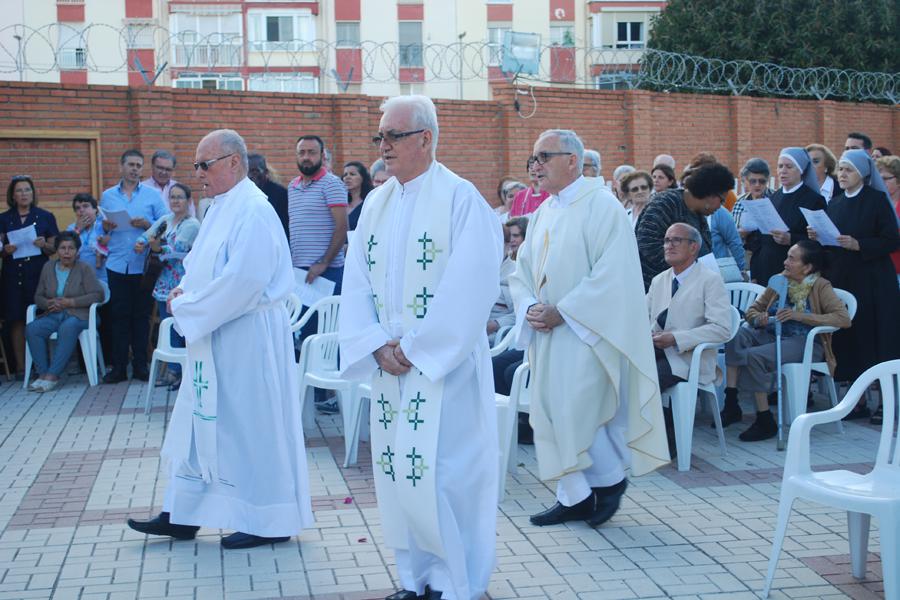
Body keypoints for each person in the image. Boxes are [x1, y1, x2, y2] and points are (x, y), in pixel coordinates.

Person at [339, 95, 502, 600]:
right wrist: (372, 343)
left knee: (444, 475)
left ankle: (457, 584)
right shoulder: (377, 204)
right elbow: (358, 281)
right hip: (392, 369)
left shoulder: (460, 198)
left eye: (393, 136)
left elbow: (471, 285)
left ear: (425, 139)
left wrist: (415, 348)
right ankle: (415, 579)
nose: (383, 146)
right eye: (380, 137)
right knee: (398, 475)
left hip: (441, 368)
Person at [126, 128, 313, 550]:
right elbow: (202, 264)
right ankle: (184, 512)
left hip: (248, 337)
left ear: (233, 162)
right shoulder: (217, 208)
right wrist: (184, 291)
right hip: (215, 336)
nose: (198, 174)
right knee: (198, 422)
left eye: (204, 165)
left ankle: (270, 519)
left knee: (251, 427)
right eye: (195, 166)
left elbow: (244, 281)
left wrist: (189, 307)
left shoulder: (255, 210)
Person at [509, 129, 668, 530]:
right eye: (533, 158)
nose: (535, 166)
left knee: (581, 412)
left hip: (586, 333)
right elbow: (522, 267)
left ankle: (610, 481)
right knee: (550, 413)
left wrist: (563, 312)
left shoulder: (602, 207)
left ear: (572, 161)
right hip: (547, 333)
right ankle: (574, 496)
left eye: (544, 157)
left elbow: (613, 276)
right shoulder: (546, 210)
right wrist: (529, 306)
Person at [723, 241, 850, 441]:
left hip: (805, 342)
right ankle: (731, 402)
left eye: (792, 258)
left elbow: (842, 319)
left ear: (807, 267)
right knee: (736, 337)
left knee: (753, 356)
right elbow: (752, 310)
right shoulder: (780, 281)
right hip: (774, 333)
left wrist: (799, 316)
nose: (785, 262)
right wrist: (759, 318)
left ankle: (764, 419)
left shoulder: (820, 285)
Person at [808, 150, 900, 422]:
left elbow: (892, 239)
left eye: (849, 170)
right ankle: (856, 402)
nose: (843, 175)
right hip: (845, 279)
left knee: (876, 341)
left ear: (864, 173)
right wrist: (819, 237)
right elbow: (832, 243)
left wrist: (859, 244)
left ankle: (886, 402)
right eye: (841, 170)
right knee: (849, 342)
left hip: (873, 283)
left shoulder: (877, 200)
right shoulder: (834, 204)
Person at [646, 223, 731, 455]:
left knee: (647, 377)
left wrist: (676, 338)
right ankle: (651, 437)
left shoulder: (710, 280)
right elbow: (642, 317)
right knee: (624, 368)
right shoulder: (660, 279)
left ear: (693, 247)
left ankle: (666, 440)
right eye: (666, 240)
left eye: (676, 240)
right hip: (657, 350)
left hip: (690, 359)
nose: (668, 245)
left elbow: (722, 329)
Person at [100, 149, 169, 383]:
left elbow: (166, 225)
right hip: (117, 263)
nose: (134, 169)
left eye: (139, 165)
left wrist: (147, 224)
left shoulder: (151, 196)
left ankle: (140, 366)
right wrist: (106, 228)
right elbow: (101, 230)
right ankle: (119, 368)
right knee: (118, 317)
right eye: (130, 164)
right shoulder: (108, 196)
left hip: (143, 266)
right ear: (121, 166)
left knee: (141, 318)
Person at [134, 183, 200, 390]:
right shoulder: (165, 220)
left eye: (180, 197)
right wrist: (140, 242)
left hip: (182, 284)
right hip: (163, 282)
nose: (176, 201)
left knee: (181, 329)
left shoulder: (192, 225)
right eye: (172, 197)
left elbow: (175, 249)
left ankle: (183, 373)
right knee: (167, 326)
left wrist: (156, 246)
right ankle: (173, 371)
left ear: (189, 201)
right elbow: (147, 234)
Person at [25, 231, 104, 392]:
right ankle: (42, 374)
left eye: (71, 248)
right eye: (62, 248)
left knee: (67, 327)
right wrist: (48, 303)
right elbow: (38, 296)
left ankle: (53, 375)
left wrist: (71, 302)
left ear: (77, 251)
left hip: (82, 316)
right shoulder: (48, 267)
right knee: (32, 329)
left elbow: (98, 294)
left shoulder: (84, 268)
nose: (67, 252)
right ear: (57, 250)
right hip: (54, 314)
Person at [635, 163, 733, 290]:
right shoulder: (665, 204)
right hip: (657, 290)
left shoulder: (699, 215)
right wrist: (684, 266)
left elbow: (704, 251)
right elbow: (647, 244)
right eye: (722, 200)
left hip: (687, 288)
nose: (721, 206)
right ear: (710, 195)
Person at [1, 175, 60, 376]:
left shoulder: (45, 216)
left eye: (27, 190)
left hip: (38, 273)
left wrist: (44, 245)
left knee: (41, 316)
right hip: (13, 274)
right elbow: (0, 248)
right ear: (13, 195)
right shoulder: (4, 219)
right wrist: (5, 250)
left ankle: (44, 364)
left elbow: (55, 248)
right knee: (16, 318)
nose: (24, 194)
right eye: (19, 190)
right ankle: (21, 367)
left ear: (33, 193)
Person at [744, 148, 825, 285]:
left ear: (801, 170)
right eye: (780, 166)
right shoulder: (773, 198)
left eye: (789, 166)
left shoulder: (813, 200)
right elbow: (761, 241)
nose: (783, 171)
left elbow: (819, 242)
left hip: (794, 272)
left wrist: (791, 239)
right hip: (765, 270)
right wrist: (755, 272)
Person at [288, 135, 348, 295]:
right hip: (299, 270)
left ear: (322, 156)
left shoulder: (332, 184)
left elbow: (342, 227)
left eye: (312, 152)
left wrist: (324, 262)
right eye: (302, 153)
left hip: (327, 271)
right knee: (302, 319)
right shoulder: (292, 186)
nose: (306, 157)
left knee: (326, 319)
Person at [67, 193, 109, 283]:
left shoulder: (104, 226)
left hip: (103, 278)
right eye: (78, 208)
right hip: (79, 278)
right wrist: (78, 230)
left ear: (95, 209)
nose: (81, 210)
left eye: (85, 206)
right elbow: (65, 250)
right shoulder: (71, 229)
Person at [248, 153, 289, 240]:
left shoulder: (281, 194)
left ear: (266, 172)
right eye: (247, 171)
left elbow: (284, 227)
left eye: (255, 171)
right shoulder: (242, 194)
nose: (250, 175)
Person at [876, 155, 900, 288]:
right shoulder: (877, 204)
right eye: (879, 179)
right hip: (881, 271)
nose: (881, 182)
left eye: (885, 178)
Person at [143, 150, 192, 215]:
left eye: (168, 169)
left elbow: (190, 214)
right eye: (160, 168)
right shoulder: (142, 189)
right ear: (152, 166)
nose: (164, 172)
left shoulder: (181, 190)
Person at [343, 161, 374, 231]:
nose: (347, 177)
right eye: (345, 175)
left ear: (362, 177)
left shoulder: (370, 202)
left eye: (352, 174)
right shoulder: (340, 202)